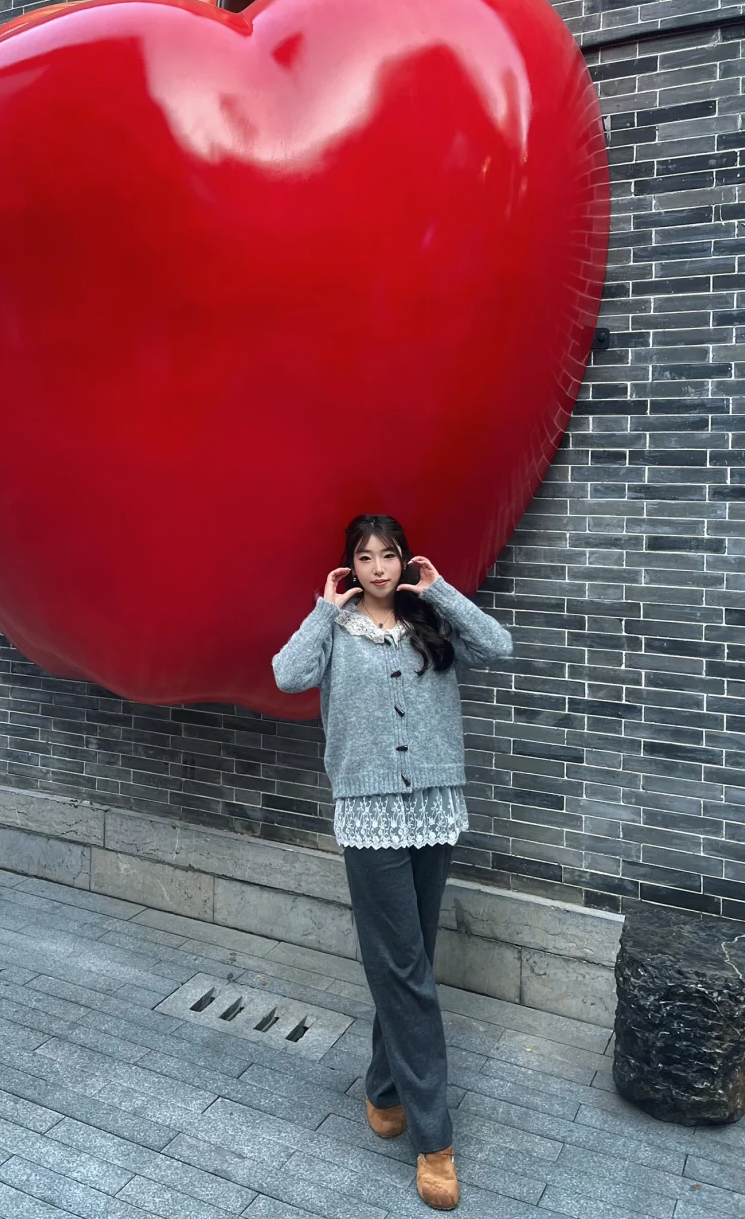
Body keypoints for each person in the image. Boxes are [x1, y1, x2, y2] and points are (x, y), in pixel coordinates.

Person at [271, 513, 514, 1211]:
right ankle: (435, 1141)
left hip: (434, 810)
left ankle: (383, 1088)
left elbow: (498, 644)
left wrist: (441, 594)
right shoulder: (338, 634)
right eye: (365, 557)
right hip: (371, 816)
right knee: (406, 971)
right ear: (350, 567)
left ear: (405, 560)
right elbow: (287, 675)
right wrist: (323, 609)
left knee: (408, 962)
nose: (379, 567)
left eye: (389, 555)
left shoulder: (429, 623)